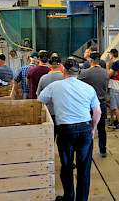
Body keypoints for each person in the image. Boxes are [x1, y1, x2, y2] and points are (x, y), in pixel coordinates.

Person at [38, 57, 101, 201]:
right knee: (84, 168)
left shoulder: (55, 86)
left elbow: (40, 100)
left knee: (66, 166)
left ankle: (68, 197)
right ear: (78, 72)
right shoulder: (88, 88)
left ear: (63, 70)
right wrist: (93, 129)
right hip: (85, 129)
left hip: (65, 130)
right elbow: (97, 112)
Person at [79, 51, 109, 157]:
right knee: (101, 128)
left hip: (89, 105)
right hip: (102, 104)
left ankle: (87, 150)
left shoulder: (84, 73)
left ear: (91, 61)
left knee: (88, 128)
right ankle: (103, 150)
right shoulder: (106, 72)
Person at [37, 52, 64, 137]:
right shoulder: (65, 78)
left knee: (50, 138)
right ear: (60, 64)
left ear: (49, 64)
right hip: (63, 112)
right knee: (62, 140)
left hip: (49, 112)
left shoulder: (43, 78)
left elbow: (38, 95)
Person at [107, 48, 119, 130]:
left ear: (112, 55)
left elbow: (108, 75)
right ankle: (116, 122)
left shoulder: (115, 64)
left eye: (109, 54)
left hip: (114, 86)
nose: (109, 55)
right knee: (118, 105)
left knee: (114, 106)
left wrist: (107, 67)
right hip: (118, 86)